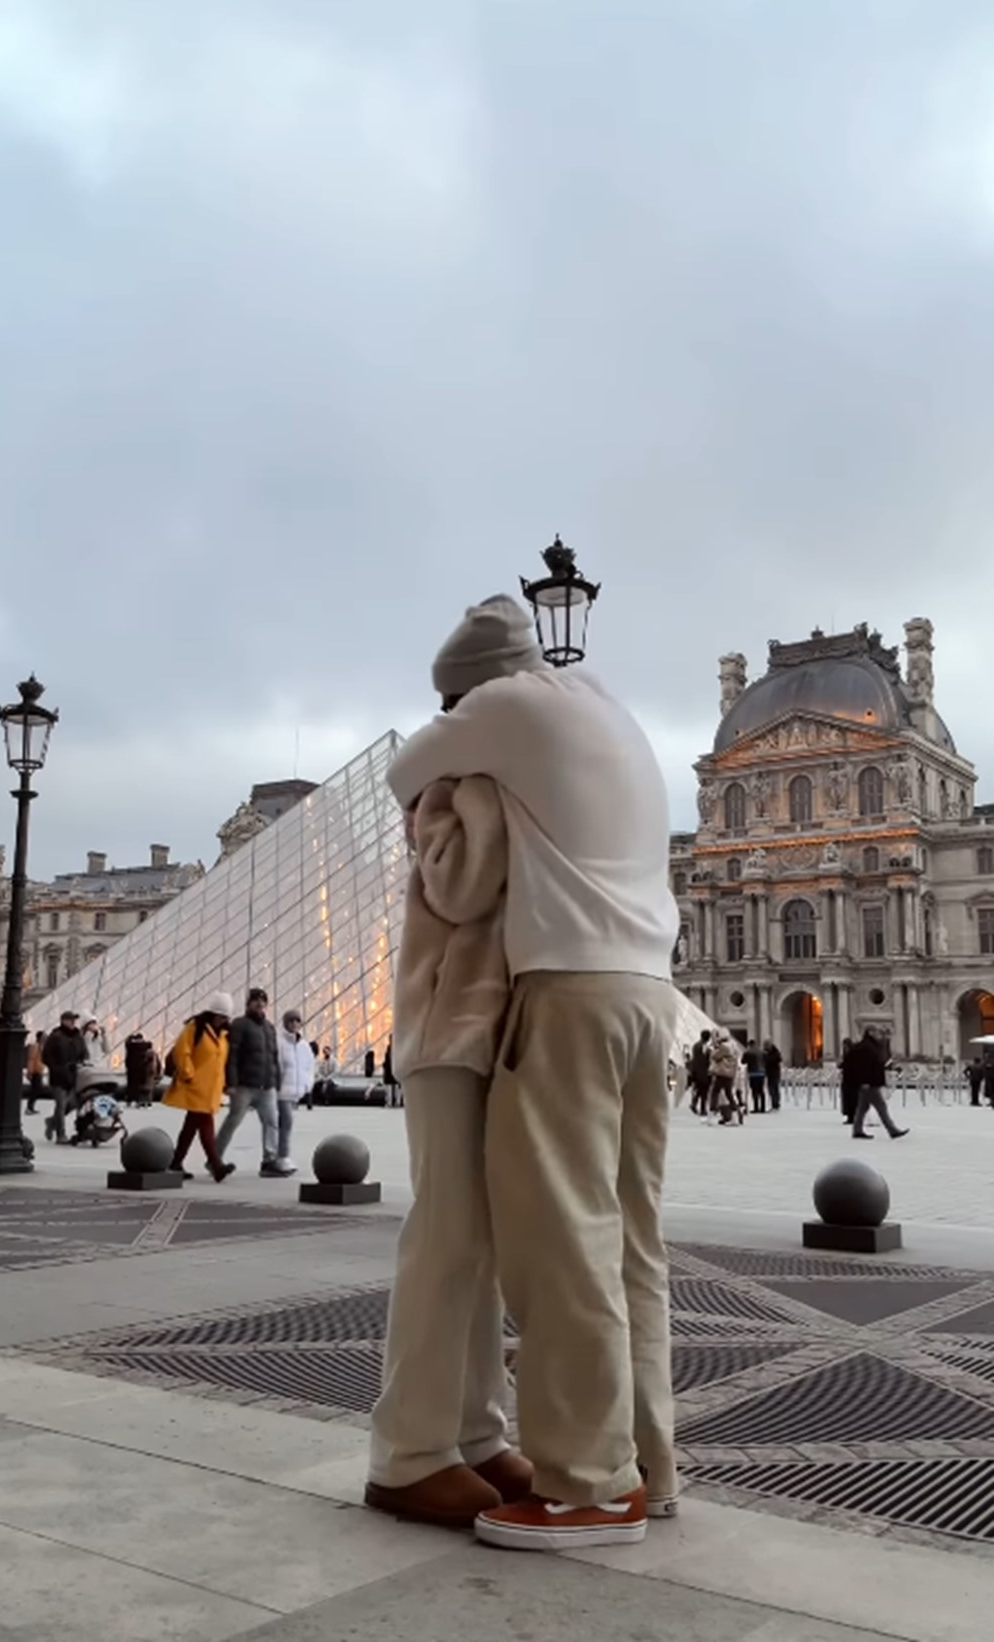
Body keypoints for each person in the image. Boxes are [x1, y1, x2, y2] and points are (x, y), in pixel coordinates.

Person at [385, 593, 681, 1554]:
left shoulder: (500, 723)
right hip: (648, 991)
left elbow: (407, 773)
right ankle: (642, 1463)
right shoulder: (609, 715)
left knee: (559, 1245)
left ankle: (588, 1488)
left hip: (564, 993)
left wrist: (447, 773)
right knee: (629, 1238)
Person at [367, 774, 530, 1529]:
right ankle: (408, 1453)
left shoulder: (489, 782)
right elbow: (463, 889)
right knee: (444, 1236)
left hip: (492, 1033)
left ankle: (473, 1431)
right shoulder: (450, 792)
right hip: (444, 1030)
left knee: (485, 1243)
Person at [164, 993, 236, 1181]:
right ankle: (216, 1165)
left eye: (226, 1018)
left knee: (192, 1125)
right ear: (211, 1013)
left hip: (211, 1087)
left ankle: (176, 1162)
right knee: (204, 1123)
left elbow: (223, 1061)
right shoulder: (195, 1027)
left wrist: (225, 1083)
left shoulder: (225, 1034)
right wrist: (188, 1073)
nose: (223, 1021)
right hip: (195, 1085)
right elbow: (181, 1050)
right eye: (220, 1016)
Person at [215, 987, 282, 1174]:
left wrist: (277, 1081)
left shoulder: (269, 1028)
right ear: (249, 1004)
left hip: (266, 1085)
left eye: (263, 1001)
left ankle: (269, 1161)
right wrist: (231, 1083)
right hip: (245, 1085)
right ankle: (215, 1157)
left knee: (272, 1122)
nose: (260, 1004)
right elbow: (232, 1056)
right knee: (233, 1121)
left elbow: (274, 1057)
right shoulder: (240, 1024)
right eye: (256, 1000)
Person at [850, 1030, 909, 1141]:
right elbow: (865, 1066)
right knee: (881, 1107)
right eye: (876, 1033)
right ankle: (892, 1130)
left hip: (869, 1082)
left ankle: (857, 1130)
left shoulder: (869, 1046)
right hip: (870, 1083)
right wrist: (865, 1081)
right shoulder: (867, 1048)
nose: (879, 1035)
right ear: (871, 1033)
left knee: (862, 1108)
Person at [275, 1010, 314, 1174]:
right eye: (290, 1021)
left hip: (295, 1091)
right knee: (287, 1123)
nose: (294, 1024)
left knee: (282, 1124)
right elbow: (275, 1065)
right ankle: (283, 1157)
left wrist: (307, 1085)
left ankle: (275, 1156)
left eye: (297, 1021)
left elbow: (310, 1067)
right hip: (282, 1091)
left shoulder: (304, 1045)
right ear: (285, 1023)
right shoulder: (280, 1043)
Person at [41, 1012, 88, 1144]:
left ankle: (51, 1122)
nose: (73, 1022)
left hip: (74, 1076)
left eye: (74, 1020)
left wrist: (83, 1063)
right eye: (71, 1020)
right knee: (61, 1105)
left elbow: (84, 1053)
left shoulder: (78, 1036)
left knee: (73, 1104)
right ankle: (61, 1135)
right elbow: (46, 1056)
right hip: (59, 1077)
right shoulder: (56, 1036)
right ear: (63, 1021)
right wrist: (57, 1069)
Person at [708, 1029, 740, 1124]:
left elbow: (715, 1056)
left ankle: (712, 1113)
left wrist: (713, 1049)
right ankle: (735, 1116)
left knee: (715, 1092)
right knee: (729, 1094)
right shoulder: (734, 1045)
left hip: (722, 1072)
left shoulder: (724, 1047)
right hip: (731, 1073)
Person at [124, 1032, 152, 1108]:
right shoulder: (145, 1047)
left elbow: (127, 1043)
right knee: (141, 1085)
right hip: (142, 1068)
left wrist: (130, 1038)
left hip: (131, 1069)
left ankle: (129, 1100)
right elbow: (150, 1046)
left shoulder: (131, 1047)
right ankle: (141, 1101)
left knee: (131, 1085)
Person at [688, 1030, 712, 1116]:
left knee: (699, 1089)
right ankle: (702, 1109)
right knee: (704, 1091)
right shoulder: (705, 1047)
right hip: (704, 1072)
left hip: (696, 1071)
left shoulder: (695, 1045)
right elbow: (706, 1059)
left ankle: (694, 1103)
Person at [24, 1030, 45, 1115]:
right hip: (35, 1071)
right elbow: (31, 1059)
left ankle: (31, 1107)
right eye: (44, 1037)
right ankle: (29, 1107)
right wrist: (30, 1071)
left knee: (37, 1090)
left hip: (38, 1070)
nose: (45, 1039)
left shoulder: (40, 1046)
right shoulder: (35, 1046)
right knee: (36, 1090)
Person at [742, 1039, 766, 1114]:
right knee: (761, 1090)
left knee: (754, 1091)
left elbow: (743, 1061)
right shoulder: (762, 1052)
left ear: (749, 1045)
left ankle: (756, 1107)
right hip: (762, 1072)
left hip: (753, 1073)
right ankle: (763, 1107)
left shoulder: (748, 1052)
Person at [839, 1036, 859, 1124]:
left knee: (852, 1100)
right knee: (847, 1100)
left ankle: (853, 1116)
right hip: (847, 1081)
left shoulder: (853, 1054)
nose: (844, 1047)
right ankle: (849, 1116)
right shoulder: (848, 1054)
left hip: (852, 1081)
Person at [763, 1040, 783, 1111]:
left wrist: (767, 1058)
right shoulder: (768, 1052)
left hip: (774, 1073)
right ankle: (774, 1103)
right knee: (771, 1089)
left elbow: (778, 1059)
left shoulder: (775, 1053)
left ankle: (776, 1104)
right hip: (770, 1073)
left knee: (774, 1088)